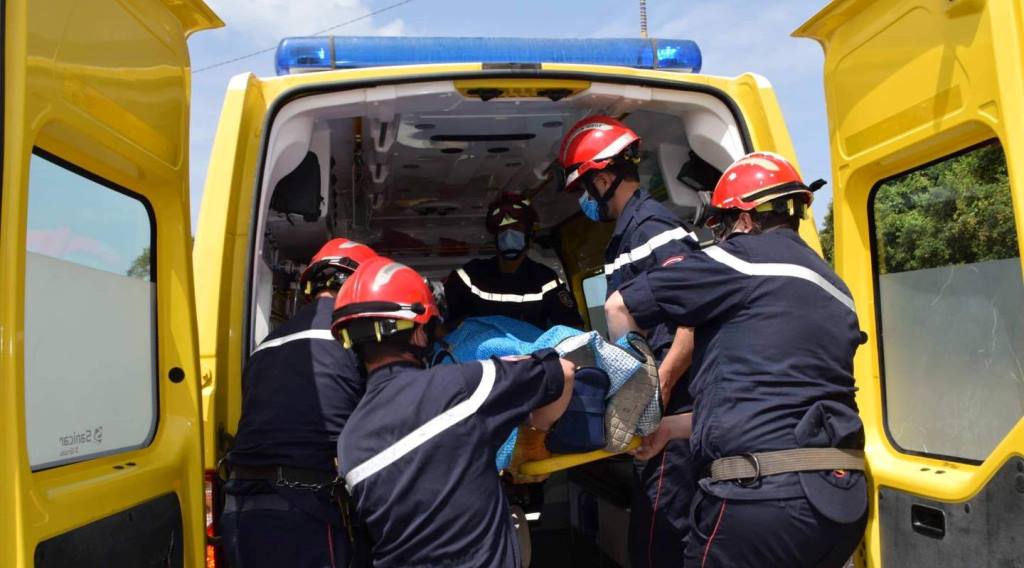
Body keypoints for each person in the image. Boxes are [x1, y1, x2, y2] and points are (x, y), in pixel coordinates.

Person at [605, 151, 867, 567]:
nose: (721, 239)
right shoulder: (835, 288)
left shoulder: (740, 259)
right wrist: (668, 429)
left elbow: (619, 306)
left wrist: (638, 404)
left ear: (743, 219)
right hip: (841, 502)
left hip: (761, 504)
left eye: (721, 227)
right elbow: (772, 402)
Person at [331, 256, 577, 568]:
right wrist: (534, 438)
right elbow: (564, 371)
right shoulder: (462, 385)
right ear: (420, 334)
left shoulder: (348, 441)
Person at [558, 114, 699, 567]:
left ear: (602, 178)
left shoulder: (651, 229)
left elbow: (693, 316)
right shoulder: (626, 237)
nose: (584, 199)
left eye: (583, 188)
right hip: (664, 412)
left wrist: (656, 389)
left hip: (676, 414)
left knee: (658, 547)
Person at [219, 238, 378, 568]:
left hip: (240, 509)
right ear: (363, 287)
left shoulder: (266, 344)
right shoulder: (355, 337)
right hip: (308, 514)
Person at [444, 192, 582, 329]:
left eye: (517, 228)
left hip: (529, 350)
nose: (509, 235)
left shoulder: (545, 280)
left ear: (530, 234)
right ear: (495, 236)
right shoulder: (470, 276)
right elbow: (447, 327)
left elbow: (572, 329)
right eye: (503, 229)